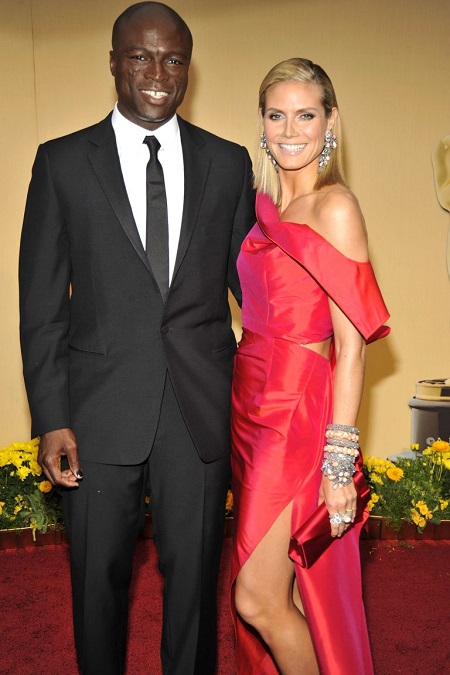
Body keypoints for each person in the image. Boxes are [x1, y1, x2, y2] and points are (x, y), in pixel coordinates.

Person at [19, 3, 254, 674]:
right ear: (115, 61)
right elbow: (41, 307)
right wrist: (53, 416)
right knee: (96, 590)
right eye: (142, 57)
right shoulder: (62, 164)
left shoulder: (228, 163)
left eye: (174, 59)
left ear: (189, 68)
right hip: (96, 413)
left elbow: (256, 292)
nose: (158, 72)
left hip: (198, 413)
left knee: (194, 596)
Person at [230, 58, 390, 674]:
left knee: (257, 598)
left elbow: (352, 347)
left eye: (305, 114)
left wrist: (339, 463)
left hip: (296, 413)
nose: (289, 129)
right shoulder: (262, 205)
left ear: (329, 123)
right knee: (284, 590)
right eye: (276, 114)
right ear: (262, 123)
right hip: (248, 404)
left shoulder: (335, 209)